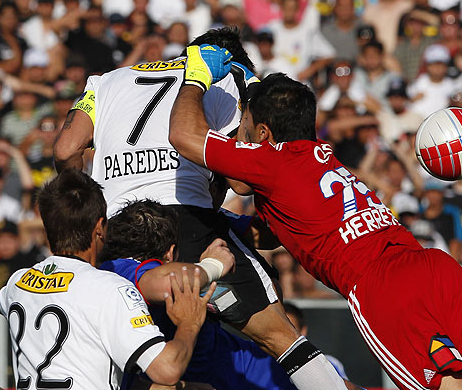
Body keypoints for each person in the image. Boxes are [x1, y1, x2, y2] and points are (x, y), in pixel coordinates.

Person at [169, 46, 462, 390]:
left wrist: (196, 76)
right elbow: (278, 232)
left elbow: (183, 135)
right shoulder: (320, 156)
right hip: (433, 267)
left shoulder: (270, 160)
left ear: (266, 134)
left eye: (243, 131)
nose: (239, 140)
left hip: (383, 287)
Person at [53, 27, 347, 390]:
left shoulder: (107, 80)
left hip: (113, 227)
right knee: (279, 337)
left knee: (146, 358)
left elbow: (66, 150)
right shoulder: (230, 76)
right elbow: (243, 178)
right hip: (186, 222)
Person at [0, 169, 222, 389]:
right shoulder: (111, 288)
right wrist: (189, 323)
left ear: (48, 228)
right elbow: (167, 369)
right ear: (99, 228)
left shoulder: (16, 285)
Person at [99, 199, 297, 390]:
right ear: (170, 253)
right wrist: (213, 265)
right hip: (228, 370)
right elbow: (163, 282)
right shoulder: (120, 271)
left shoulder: (107, 274)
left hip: (240, 367)